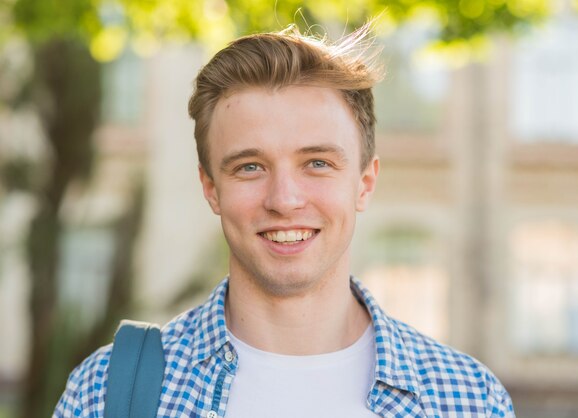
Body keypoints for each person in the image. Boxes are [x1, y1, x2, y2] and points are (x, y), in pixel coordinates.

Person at [54, 24, 515, 417]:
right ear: (211, 188)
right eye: (249, 166)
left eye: (317, 163)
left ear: (364, 183)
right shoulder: (105, 392)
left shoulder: (468, 400)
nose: (284, 199)